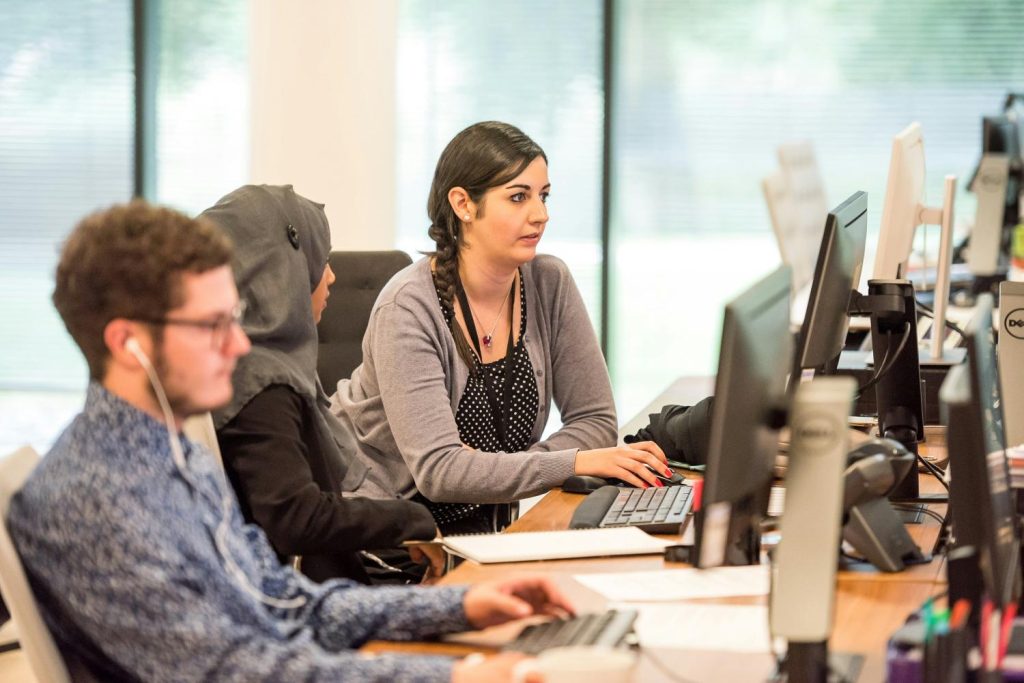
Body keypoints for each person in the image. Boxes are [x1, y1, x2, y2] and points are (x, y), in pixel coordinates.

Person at [7, 200, 572, 682]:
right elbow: (241, 671)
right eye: (212, 326)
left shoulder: (171, 456)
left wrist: (459, 606)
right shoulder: (98, 497)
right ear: (128, 342)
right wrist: (448, 674)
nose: (237, 346)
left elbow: (285, 600)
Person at [332, 121, 671, 534]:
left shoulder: (549, 282)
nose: (541, 215)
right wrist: (571, 462)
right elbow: (440, 472)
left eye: (543, 196)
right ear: (463, 204)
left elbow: (596, 421)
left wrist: (498, 469)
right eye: (518, 197)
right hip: (390, 538)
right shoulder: (408, 307)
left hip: (486, 531)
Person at [203, 184, 439, 585]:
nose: (330, 276)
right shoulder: (262, 384)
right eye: (320, 260)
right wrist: (412, 520)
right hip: (309, 602)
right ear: (280, 271)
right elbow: (296, 519)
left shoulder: (254, 366)